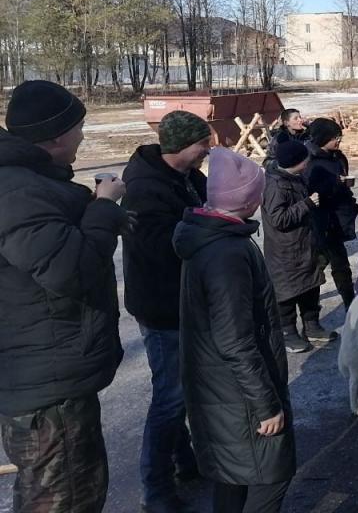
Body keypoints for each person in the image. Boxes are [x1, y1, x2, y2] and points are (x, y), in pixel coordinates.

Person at [0, 80, 130, 513]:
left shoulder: (29, 183)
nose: (83, 136)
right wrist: (105, 206)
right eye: (79, 128)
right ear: (56, 136)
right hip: (45, 388)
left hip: (47, 376)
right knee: (66, 500)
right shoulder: (18, 191)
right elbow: (72, 270)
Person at [175, 148, 295, 513]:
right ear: (247, 199)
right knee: (271, 476)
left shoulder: (209, 236)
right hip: (238, 397)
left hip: (220, 390)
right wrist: (266, 405)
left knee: (233, 475)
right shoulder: (226, 253)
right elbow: (235, 340)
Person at [123, 110, 211, 512]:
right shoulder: (145, 189)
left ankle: (184, 460)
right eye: (202, 144)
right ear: (181, 146)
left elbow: (207, 205)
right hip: (161, 306)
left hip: (184, 299)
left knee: (181, 391)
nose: (207, 150)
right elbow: (161, 248)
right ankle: (155, 490)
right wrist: (207, 229)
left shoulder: (187, 176)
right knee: (171, 398)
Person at [262, 138, 333, 353]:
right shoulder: (276, 185)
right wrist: (307, 204)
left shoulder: (296, 177)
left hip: (305, 244)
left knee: (310, 287)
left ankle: (312, 327)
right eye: (305, 160)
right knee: (288, 293)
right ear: (295, 162)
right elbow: (278, 219)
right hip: (286, 250)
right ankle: (288, 333)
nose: (307, 163)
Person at [303, 118, 358, 312]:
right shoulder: (309, 161)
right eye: (335, 137)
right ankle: (310, 311)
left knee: (340, 265)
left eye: (339, 136)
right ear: (322, 138)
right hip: (321, 222)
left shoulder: (337, 156)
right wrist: (336, 183)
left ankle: (349, 304)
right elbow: (311, 191)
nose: (338, 140)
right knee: (318, 268)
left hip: (337, 219)